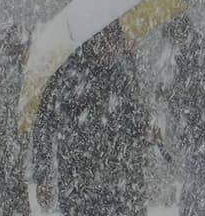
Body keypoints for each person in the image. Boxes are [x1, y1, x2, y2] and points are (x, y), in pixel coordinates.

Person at [32, 23, 151, 216]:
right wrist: (43, 175)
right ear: (92, 40)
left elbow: (133, 119)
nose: (109, 47)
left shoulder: (121, 73)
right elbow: (44, 125)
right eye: (105, 41)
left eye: (114, 41)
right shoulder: (66, 74)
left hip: (117, 182)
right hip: (77, 182)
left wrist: (145, 126)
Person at [160, 15, 205, 216]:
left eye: (173, 38)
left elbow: (204, 91)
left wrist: (177, 94)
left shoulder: (200, 52)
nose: (173, 43)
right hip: (190, 131)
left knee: (199, 186)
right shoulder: (183, 53)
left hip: (200, 130)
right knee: (195, 185)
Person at [0, 23, 31, 216]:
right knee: (13, 200)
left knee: (1, 202)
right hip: (9, 153)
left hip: (0, 151)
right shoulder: (16, 75)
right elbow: (11, 119)